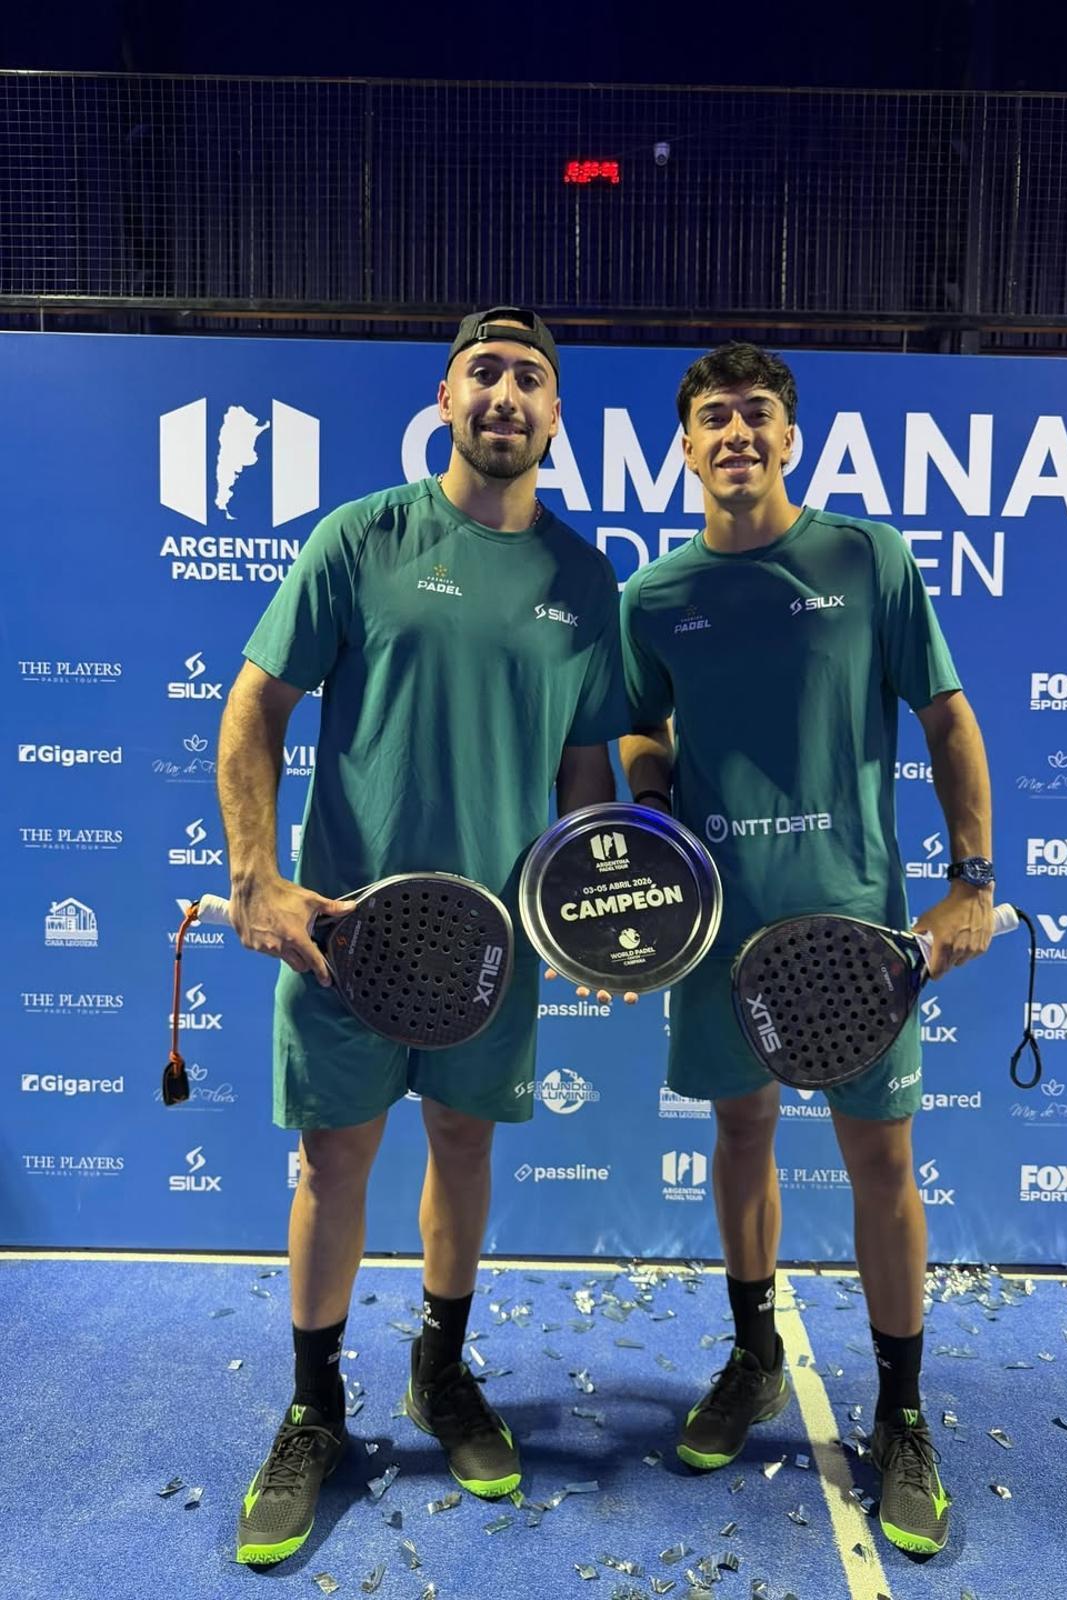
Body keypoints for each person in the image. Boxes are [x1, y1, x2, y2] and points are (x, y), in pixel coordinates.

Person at [220, 307, 627, 1566]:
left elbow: (586, 772)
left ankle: (441, 1374)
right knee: (333, 1163)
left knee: (461, 1144)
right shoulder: (361, 538)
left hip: (492, 949)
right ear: (445, 398)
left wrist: (593, 917)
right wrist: (256, 877)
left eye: (530, 379)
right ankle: (314, 1407)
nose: (506, 395)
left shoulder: (584, 581)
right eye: (483, 372)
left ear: (555, 416)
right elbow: (254, 709)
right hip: (346, 937)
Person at [619, 341, 994, 1557]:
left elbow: (948, 720)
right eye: (714, 416)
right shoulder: (652, 595)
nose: (737, 432)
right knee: (742, 1133)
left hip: (859, 932)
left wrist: (972, 882)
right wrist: (654, 808)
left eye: (757, 413)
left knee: (882, 1160)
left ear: (790, 437)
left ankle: (902, 1414)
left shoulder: (867, 558)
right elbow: (639, 729)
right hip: (720, 931)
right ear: (686, 446)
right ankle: (753, 1356)